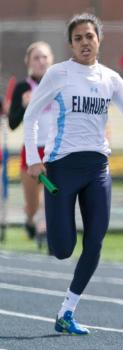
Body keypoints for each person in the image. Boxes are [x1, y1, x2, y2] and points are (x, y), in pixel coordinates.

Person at [23, 13, 123, 335]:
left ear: (99, 39)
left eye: (89, 37)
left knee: (95, 242)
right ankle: (54, 224)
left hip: (97, 169)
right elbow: (31, 116)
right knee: (63, 249)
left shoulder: (110, 78)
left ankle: (67, 310)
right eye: (78, 38)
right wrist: (34, 159)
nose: (84, 43)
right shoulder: (59, 74)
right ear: (71, 43)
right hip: (62, 168)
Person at [9, 41, 54, 246]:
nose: (41, 61)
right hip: (31, 151)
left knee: (52, 195)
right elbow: (12, 123)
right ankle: (30, 219)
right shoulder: (23, 87)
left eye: (44, 57)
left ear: (51, 60)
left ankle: (45, 231)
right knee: (32, 205)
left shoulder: (58, 84)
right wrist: (25, 106)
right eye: (36, 57)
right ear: (28, 62)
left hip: (53, 151)